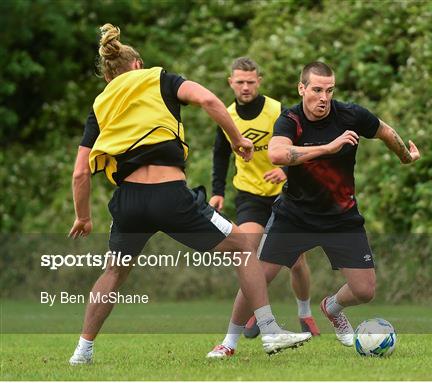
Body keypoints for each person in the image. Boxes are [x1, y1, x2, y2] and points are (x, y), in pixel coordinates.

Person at [68, 24, 310, 365]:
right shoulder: (158, 78)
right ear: (137, 65)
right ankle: (270, 331)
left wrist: (83, 216)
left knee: (113, 273)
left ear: (110, 77)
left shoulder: (102, 103)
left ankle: (82, 352)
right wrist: (237, 139)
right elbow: (208, 100)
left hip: (129, 202)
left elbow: (80, 171)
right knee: (243, 246)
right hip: (169, 196)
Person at [208, 61, 420, 356]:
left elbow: (384, 130)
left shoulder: (350, 114)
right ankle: (228, 343)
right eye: (317, 90)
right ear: (302, 88)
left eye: (329, 90)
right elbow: (278, 153)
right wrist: (328, 148)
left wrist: (404, 156)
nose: (324, 97)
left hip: (342, 216)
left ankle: (332, 308)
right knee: (257, 277)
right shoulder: (290, 119)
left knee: (364, 290)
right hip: (294, 217)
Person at [207, 57, 320, 343]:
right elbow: (220, 153)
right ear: (230, 82)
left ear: (259, 81)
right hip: (249, 195)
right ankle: (258, 312)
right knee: (248, 251)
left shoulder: (276, 110)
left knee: (296, 262)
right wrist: (217, 191)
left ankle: (304, 312)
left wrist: (284, 170)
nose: (245, 87)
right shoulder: (227, 114)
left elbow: (299, 146)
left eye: (250, 81)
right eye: (239, 82)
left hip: (285, 193)